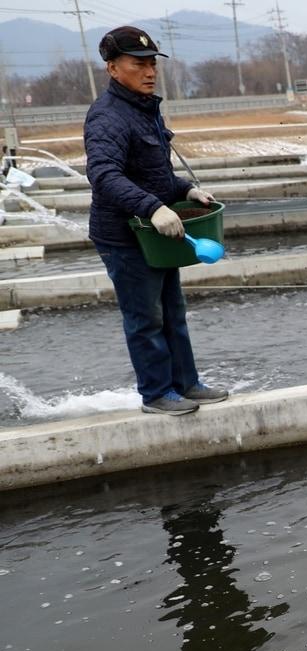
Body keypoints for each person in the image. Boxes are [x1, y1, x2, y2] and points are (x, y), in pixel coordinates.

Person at [84, 25, 227, 416]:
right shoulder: (107, 117)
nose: (149, 72)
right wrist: (152, 207)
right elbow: (104, 175)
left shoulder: (145, 109)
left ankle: (186, 384)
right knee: (145, 317)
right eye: (139, 64)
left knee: (172, 311)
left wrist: (185, 191)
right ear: (113, 69)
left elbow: (153, 171)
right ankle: (156, 393)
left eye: (152, 64)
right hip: (126, 235)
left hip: (158, 231)